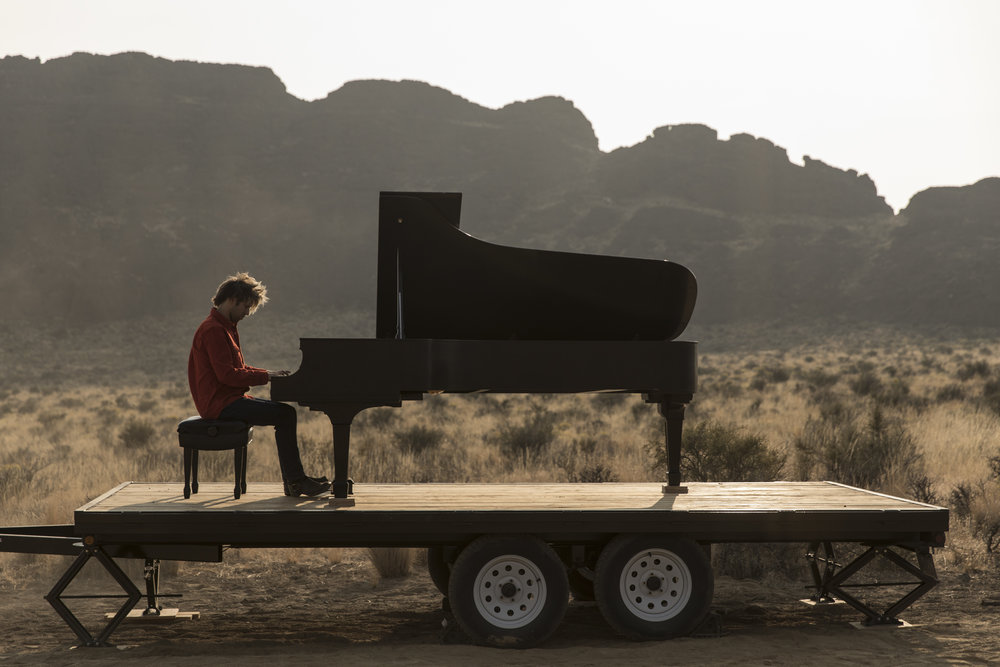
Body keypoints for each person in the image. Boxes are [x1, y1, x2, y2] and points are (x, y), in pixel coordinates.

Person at [187, 272, 330, 497]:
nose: (246, 313)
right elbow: (228, 376)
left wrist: (268, 373)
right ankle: (295, 481)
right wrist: (267, 376)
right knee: (285, 415)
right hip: (220, 405)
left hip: (227, 400)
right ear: (233, 300)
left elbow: (238, 370)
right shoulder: (214, 330)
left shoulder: (225, 327)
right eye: (245, 307)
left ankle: (295, 480)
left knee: (285, 414)